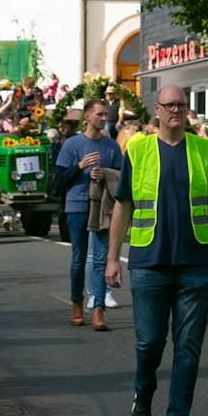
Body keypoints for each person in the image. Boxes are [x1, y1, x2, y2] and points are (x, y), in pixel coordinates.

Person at [104, 85, 208, 416]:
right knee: (149, 342)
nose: (176, 110)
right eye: (170, 105)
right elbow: (124, 205)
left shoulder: (204, 149)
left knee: (188, 347)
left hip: (195, 264)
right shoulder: (139, 149)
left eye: (181, 104)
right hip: (149, 262)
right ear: (157, 111)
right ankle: (143, 390)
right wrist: (113, 257)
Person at [57, 101, 126, 328]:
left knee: (99, 260)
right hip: (77, 206)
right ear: (87, 116)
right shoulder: (72, 144)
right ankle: (77, 304)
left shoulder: (111, 146)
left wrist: (104, 173)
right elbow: (58, 181)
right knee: (78, 259)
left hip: (102, 208)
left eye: (106, 114)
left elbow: (121, 176)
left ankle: (98, 310)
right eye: (99, 114)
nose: (103, 118)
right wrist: (79, 166)